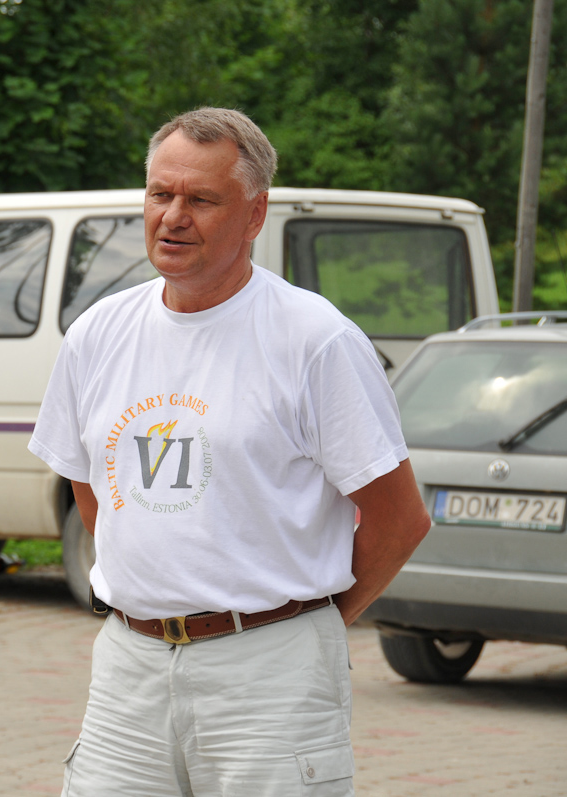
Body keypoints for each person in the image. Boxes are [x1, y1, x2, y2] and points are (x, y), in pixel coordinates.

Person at [28, 107, 431, 795]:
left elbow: (399, 519)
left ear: (254, 214)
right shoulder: (97, 334)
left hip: (270, 675)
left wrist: (305, 627)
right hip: (129, 667)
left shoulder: (314, 340)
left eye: (201, 199)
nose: (173, 216)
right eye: (160, 193)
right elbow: (90, 487)